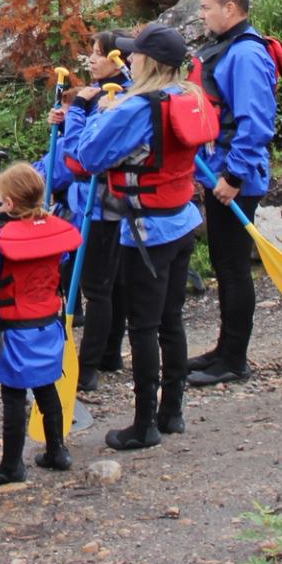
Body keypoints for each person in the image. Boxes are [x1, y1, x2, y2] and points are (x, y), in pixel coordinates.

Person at [57, 24, 217, 452]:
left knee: (143, 327)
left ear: (149, 62)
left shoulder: (137, 108)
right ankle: (172, 411)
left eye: (135, 55)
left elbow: (86, 158)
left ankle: (144, 423)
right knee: (170, 321)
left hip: (145, 232)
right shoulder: (191, 96)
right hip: (182, 221)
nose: (129, 60)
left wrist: (81, 111)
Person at [187, 0, 280, 388]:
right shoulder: (229, 50)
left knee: (234, 268)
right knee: (226, 267)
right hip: (221, 173)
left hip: (236, 179)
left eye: (207, 7)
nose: (202, 14)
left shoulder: (246, 55)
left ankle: (235, 359)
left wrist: (233, 176)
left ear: (230, 8)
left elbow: (256, 123)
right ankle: (224, 350)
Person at [0, 164, 83, 486]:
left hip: (14, 331)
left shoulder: (0, 242)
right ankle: (57, 450)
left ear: (7, 204)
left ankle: (11, 465)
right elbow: (60, 260)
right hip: (49, 326)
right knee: (47, 386)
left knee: (13, 395)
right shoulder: (56, 232)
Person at [45, 30, 131, 392]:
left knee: (99, 288)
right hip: (112, 205)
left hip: (102, 206)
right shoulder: (118, 91)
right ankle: (109, 353)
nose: (90, 60)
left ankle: (90, 365)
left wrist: (77, 111)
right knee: (114, 284)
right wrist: (65, 120)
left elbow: (81, 158)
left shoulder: (113, 98)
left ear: (117, 58)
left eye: (97, 54)